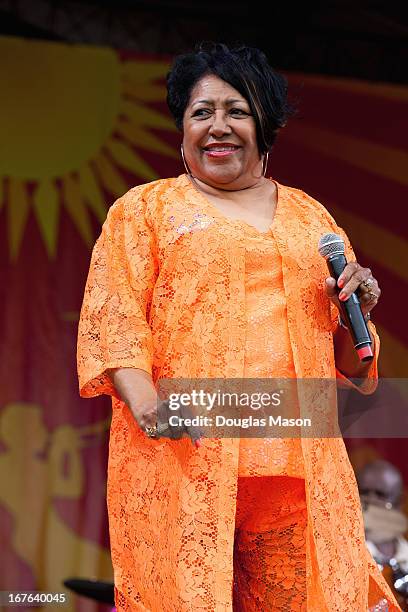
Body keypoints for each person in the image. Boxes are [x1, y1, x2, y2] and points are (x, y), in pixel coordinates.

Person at [77, 42, 400, 611]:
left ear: (265, 126)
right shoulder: (145, 212)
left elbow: (348, 364)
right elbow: (115, 321)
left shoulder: (311, 219)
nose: (217, 127)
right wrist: (152, 407)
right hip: (186, 457)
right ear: (181, 130)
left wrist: (358, 318)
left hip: (298, 470)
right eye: (201, 113)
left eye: (236, 111)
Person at [358, 460, 408, 609]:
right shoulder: (345, 554)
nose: (371, 500)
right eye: (364, 492)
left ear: (399, 501)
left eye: (381, 494)